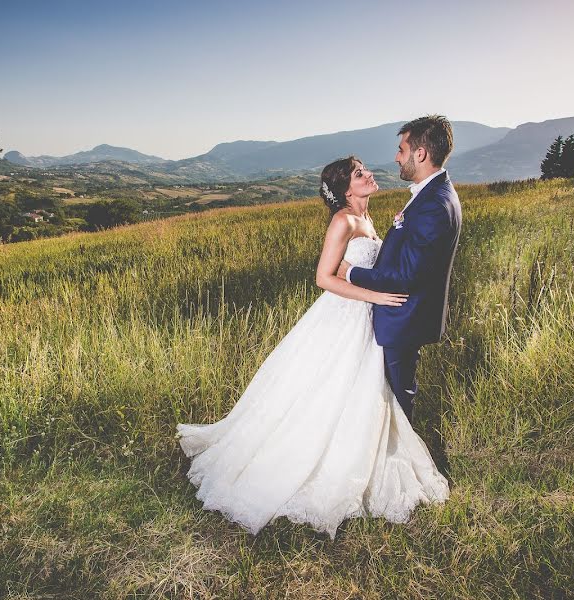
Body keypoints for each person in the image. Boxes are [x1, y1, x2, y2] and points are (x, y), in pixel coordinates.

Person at [177, 155, 449, 538]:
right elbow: (323, 277)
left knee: (362, 391)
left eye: (364, 170)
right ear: (344, 189)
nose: (369, 174)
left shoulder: (368, 219)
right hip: (345, 315)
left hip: (365, 317)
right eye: (359, 174)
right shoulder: (343, 220)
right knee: (326, 389)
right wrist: (374, 296)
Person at [338, 115, 461, 422]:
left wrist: (350, 271)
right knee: (385, 395)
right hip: (402, 315)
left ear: (420, 154)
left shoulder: (433, 204)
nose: (396, 157)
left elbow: (405, 276)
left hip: (402, 316)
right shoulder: (433, 195)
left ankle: (400, 461)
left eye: (401, 150)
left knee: (396, 397)